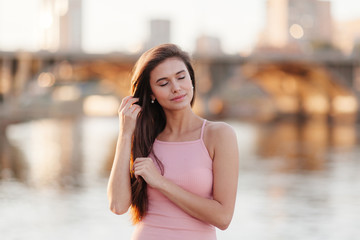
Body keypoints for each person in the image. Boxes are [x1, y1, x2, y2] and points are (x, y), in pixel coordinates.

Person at [107, 43, 239, 240]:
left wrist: (160, 182)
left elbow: (223, 218)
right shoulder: (143, 139)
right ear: (151, 93)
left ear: (191, 79)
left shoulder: (218, 134)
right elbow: (118, 206)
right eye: (163, 83)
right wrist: (125, 135)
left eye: (181, 77)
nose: (176, 88)